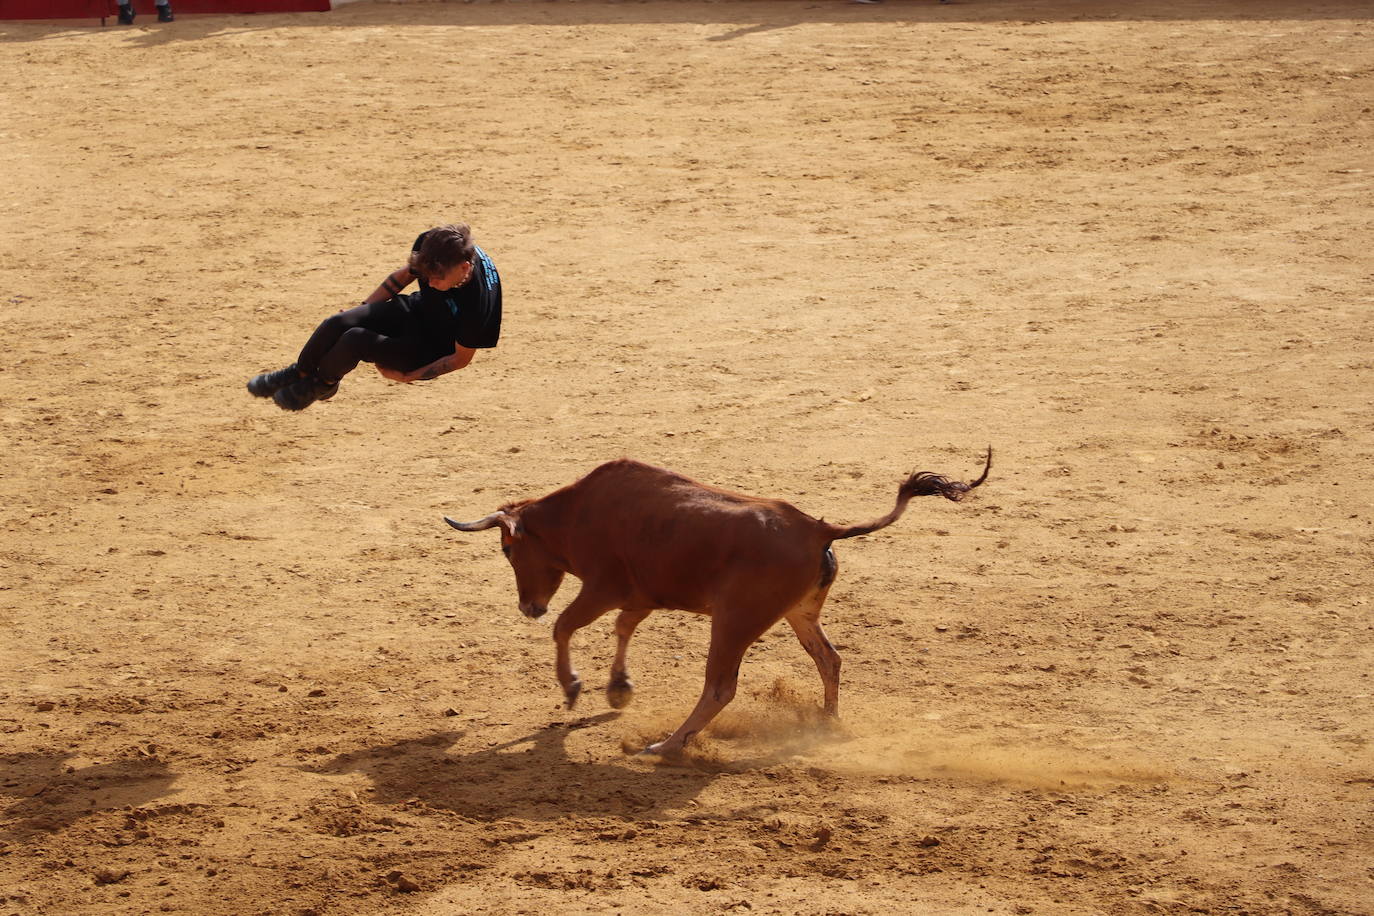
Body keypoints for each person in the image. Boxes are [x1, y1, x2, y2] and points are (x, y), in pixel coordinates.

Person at [247, 223, 502, 411]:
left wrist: (411, 376)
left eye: (438, 279)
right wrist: (362, 311)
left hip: (430, 347)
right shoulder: (435, 246)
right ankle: (299, 372)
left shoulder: (478, 305)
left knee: (356, 339)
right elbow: (404, 276)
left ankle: (323, 383)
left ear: (464, 268)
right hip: (419, 310)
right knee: (339, 322)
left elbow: (460, 358)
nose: (431, 283)